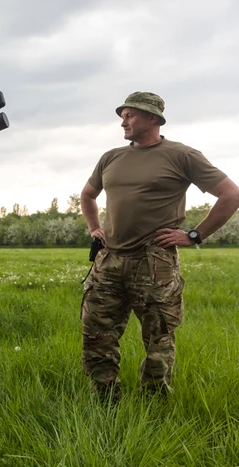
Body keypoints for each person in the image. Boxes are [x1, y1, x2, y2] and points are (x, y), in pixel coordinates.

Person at [80, 92, 239, 402]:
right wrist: (94, 228)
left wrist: (194, 235)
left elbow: (231, 195)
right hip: (108, 260)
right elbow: (87, 195)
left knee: (158, 338)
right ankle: (104, 400)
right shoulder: (111, 157)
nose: (123, 121)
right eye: (122, 116)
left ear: (152, 118)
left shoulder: (182, 155)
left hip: (154, 263)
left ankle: (153, 407)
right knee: (96, 334)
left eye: (129, 115)